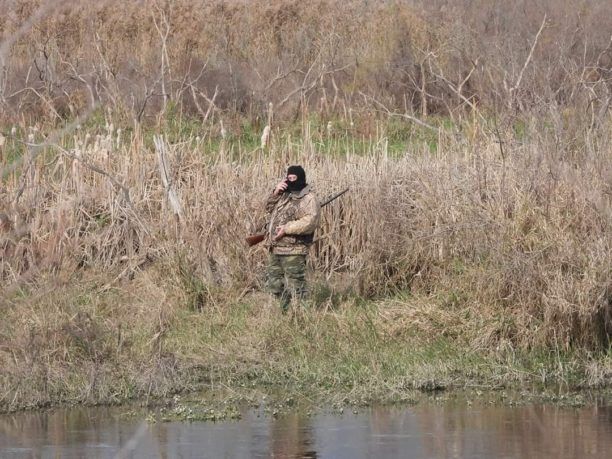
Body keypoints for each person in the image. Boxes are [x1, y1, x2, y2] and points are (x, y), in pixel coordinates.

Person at [264, 165, 320, 312]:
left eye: (293, 178)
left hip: (294, 249)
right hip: (275, 247)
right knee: (275, 285)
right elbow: (268, 209)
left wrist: (286, 229)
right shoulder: (284, 195)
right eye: (288, 178)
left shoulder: (308, 198)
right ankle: (283, 313)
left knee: (297, 286)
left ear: (300, 178)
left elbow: (310, 221)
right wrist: (275, 192)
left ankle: (303, 315)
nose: (290, 181)